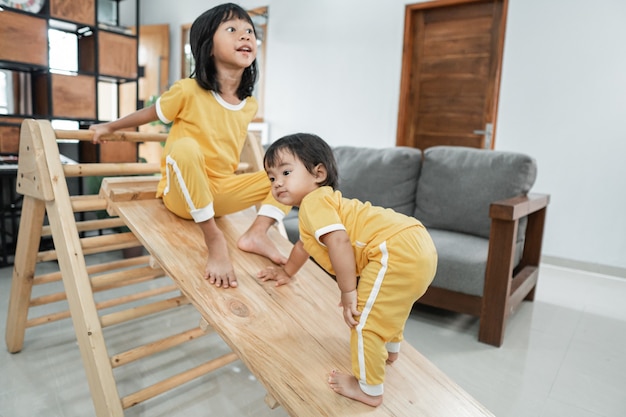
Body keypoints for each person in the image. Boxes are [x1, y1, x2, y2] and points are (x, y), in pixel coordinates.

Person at [90, 3, 290, 289]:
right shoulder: (188, 90)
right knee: (185, 147)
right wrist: (110, 126)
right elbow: (151, 113)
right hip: (180, 193)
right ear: (208, 47)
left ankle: (258, 233)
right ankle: (214, 238)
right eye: (232, 30)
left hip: (220, 193)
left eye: (249, 31)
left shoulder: (249, 105)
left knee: (293, 172)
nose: (245, 36)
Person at [257, 133, 438, 407]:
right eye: (272, 178)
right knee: (387, 305)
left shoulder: (314, 202)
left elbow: (339, 241)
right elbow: (304, 246)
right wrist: (286, 272)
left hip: (396, 248)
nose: (277, 182)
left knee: (362, 319)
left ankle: (369, 389)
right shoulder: (325, 205)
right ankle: (389, 351)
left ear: (319, 173)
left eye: (285, 172)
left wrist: (348, 291)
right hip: (416, 243)